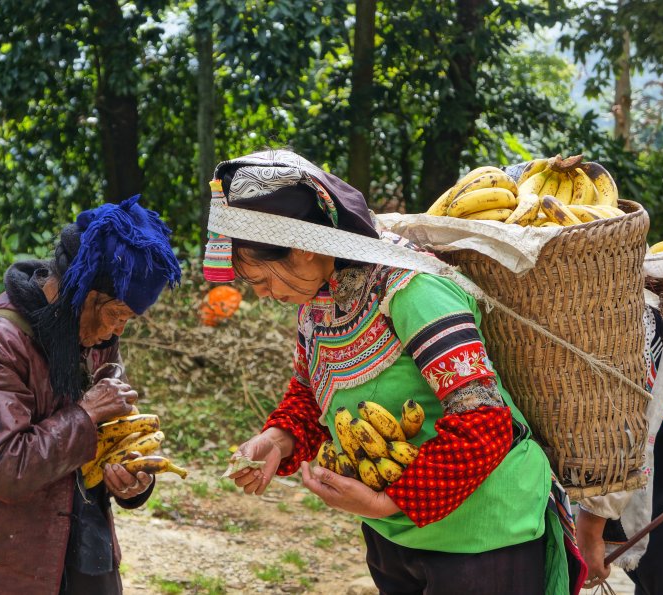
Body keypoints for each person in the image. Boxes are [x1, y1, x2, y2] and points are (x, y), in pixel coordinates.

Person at [205, 150, 587, 594]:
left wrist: (387, 501)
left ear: (304, 248)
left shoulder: (414, 290)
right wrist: (278, 439)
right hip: (393, 537)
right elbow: (312, 393)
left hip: (480, 537)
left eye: (261, 279)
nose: (263, 294)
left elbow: (485, 424)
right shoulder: (320, 300)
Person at [0, 195, 181, 595]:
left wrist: (131, 480)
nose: (117, 331)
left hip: (87, 549)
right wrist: (84, 415)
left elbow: (113, 434)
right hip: (7, 563)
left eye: (127, 319)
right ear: (82, 292)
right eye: (115, 315)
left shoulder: (97, 333)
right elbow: (1, 469)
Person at [576, 304, 663, 594]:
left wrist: (591, 527)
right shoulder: (650, 330)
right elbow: (625, 426)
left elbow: (624, 428)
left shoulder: (649, 330)